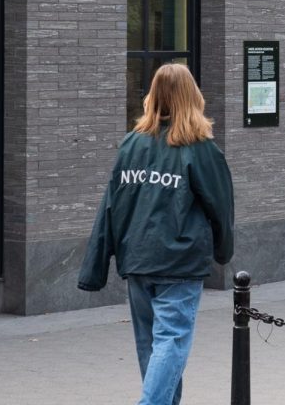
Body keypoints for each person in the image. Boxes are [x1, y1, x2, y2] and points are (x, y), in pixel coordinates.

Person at [78, 63, 234, 405]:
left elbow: (110, 207)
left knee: (152, 344)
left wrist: (98, 262)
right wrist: (223, 250)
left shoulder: (132, 144)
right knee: (171, 342)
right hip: (178, 261)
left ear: (153, 96)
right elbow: (220, 207)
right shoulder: (200, 148)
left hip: (137, 258)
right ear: (192, 97)